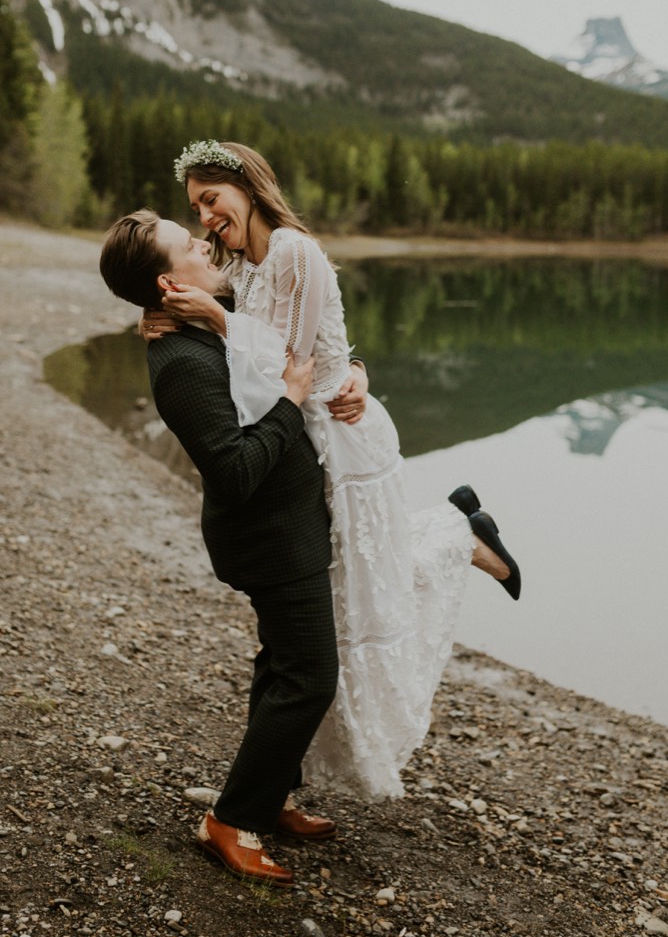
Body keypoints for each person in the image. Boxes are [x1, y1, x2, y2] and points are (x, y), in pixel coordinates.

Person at [139, 139, 522, 802]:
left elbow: (284, 363)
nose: (205, 217)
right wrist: (160, 314)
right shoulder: (241, 260)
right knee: (345, 600)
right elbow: (247, 338)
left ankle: (463, 533)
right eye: (195, 206)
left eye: (210, 199)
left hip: (340, 441)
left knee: (369, 591)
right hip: (309, 437)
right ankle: (268, 791)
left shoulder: (290, 250)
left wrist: (226, 323)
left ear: (247, 186)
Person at [99, 213, 337, 886]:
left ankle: (269, 796)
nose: (206, 242)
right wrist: (291, 400)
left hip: (288, 524)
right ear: (169, 280)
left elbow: (276, 335)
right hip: (268, 539)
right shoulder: (178, 364)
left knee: (283, 664)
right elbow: (233, 471)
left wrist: (349, 377)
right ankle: (231, 821)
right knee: (311, 677)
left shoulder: (202, 319)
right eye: (189, 242)